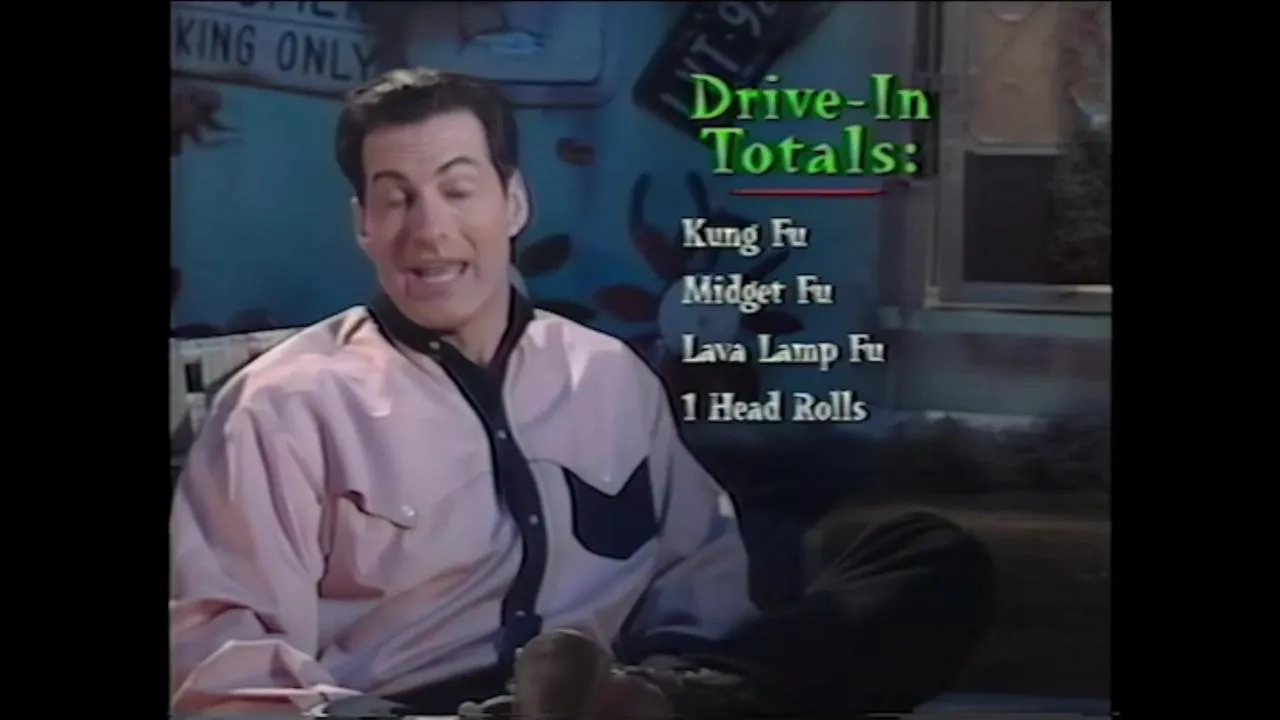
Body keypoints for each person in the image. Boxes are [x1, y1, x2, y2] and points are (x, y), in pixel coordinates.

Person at [169, 68, 994, 718]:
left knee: (930, 559)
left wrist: (675, 676)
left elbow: (695, 568)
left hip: (633, 694)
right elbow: (220, 658)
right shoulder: (285, 406)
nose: (430, 230)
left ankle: (670, 700)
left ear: (513, 201)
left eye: (457, 189)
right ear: (363, 224)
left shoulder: (608, 376)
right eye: (397, 199)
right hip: (422, 710)